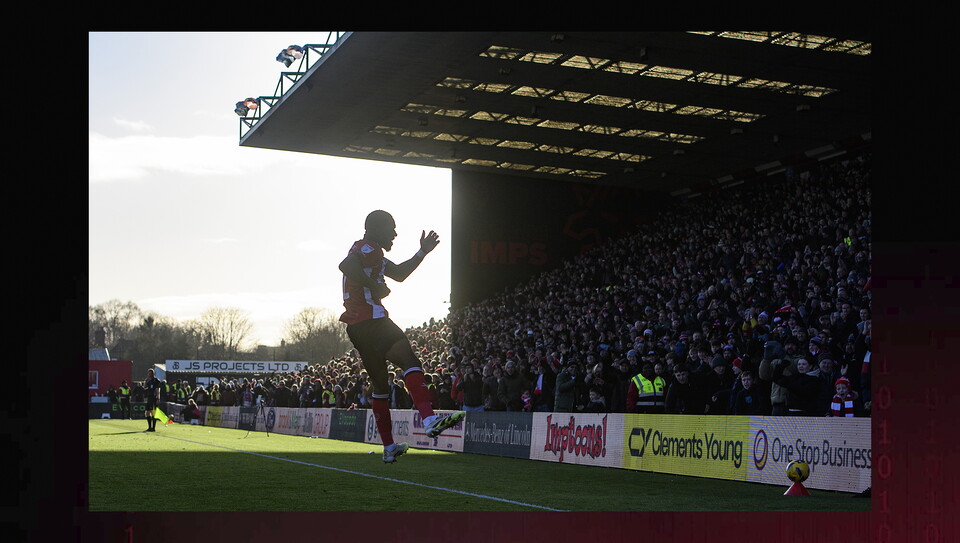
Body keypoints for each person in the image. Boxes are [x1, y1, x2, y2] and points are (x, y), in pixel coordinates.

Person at [338, 210, 464, 463]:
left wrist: (422, 253)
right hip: (372, 320)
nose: (395, 234)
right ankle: (429, 420)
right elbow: (346, 265)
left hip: (356, 327)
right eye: (391, 228)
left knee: (381, 387)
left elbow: (399, 274)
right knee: (410, 362)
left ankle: (388, 447)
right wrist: (374, 286)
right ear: (377, 228)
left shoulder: (372, 255)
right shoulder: (367, 249)